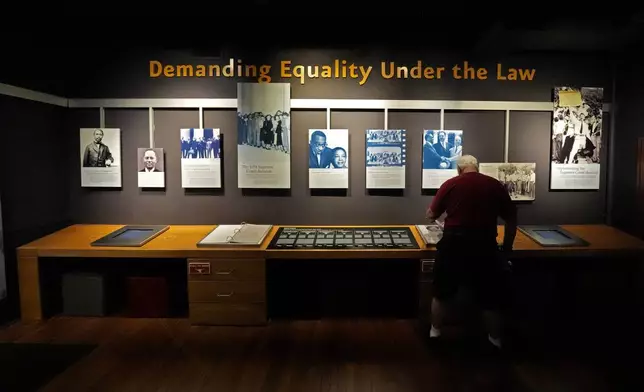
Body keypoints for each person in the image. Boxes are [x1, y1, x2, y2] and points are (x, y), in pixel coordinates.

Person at [425, 154, 517, 350]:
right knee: (490, 296)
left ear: (459, 169)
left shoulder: (451, 183)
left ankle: (435, 332)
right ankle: (495, 339)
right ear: (477, 167)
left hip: (453, 244)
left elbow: (432, 214)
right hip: (484, 245)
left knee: (441, 291)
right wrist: (507, 248)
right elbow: (511, 217)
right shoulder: (494, 185)